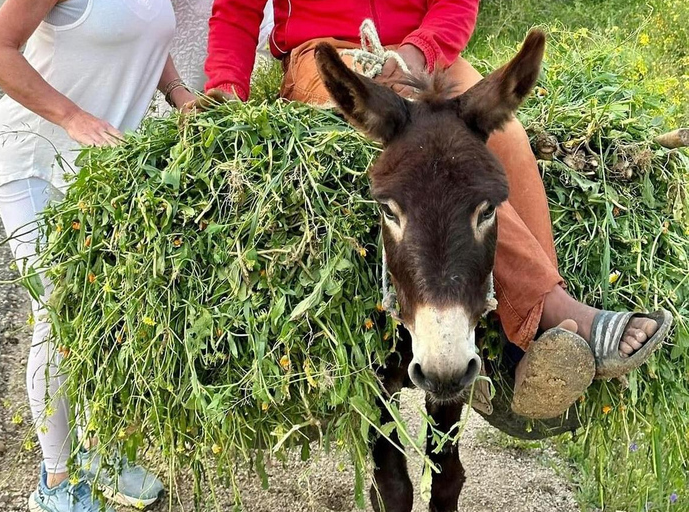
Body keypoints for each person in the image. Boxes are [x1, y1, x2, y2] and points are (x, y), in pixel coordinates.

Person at [203, 0, 672, 419]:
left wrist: (415, 52)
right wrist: (225, 88)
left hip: (421, 57)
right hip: (327, 54)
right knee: (429, 147)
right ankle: (550, 307)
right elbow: (237, 10)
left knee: (507, 135)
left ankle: (525, 351)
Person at [0, 1, 198, 510]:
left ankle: (96, 452)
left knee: (106, 316)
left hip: (103, 171)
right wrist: (72, 115)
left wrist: (177, 91)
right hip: (36, 156)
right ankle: (56, 483)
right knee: (57, 317)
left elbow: (146, 37)